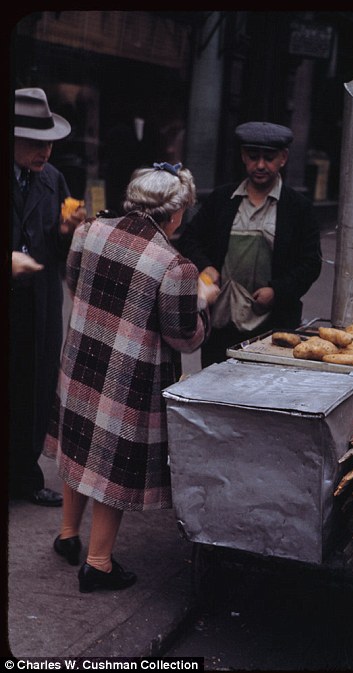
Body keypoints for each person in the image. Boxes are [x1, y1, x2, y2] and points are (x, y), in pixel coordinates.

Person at [43, 162, 219, 592]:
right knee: (109, 464)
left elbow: (74, 284)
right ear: (175, 214)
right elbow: (183, 339)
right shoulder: (176, 266)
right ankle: (98, 564)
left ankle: (68, 537)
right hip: (128, 378)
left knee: (80, 446)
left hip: (83, 358)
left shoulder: (88, 232)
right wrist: (203, 301)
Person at [176, 121, 322, 367]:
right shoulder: (222, 199)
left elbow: (310, 263)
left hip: (272, 329)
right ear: (244, 157)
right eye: (254, 157)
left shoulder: (298, 207)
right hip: (221, 323)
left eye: (269, 158)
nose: (261, 165)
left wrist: (278, 291)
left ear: (283, 158)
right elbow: (190, 238)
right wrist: (206, 267)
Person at [10, 87, 86, 506]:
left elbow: (59, 253)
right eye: (36, 143)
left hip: (38, 299)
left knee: (35, 386)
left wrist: (65, 232)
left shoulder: (53, 179)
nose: (46, 152)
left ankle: (24, 474)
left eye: (50, 142)